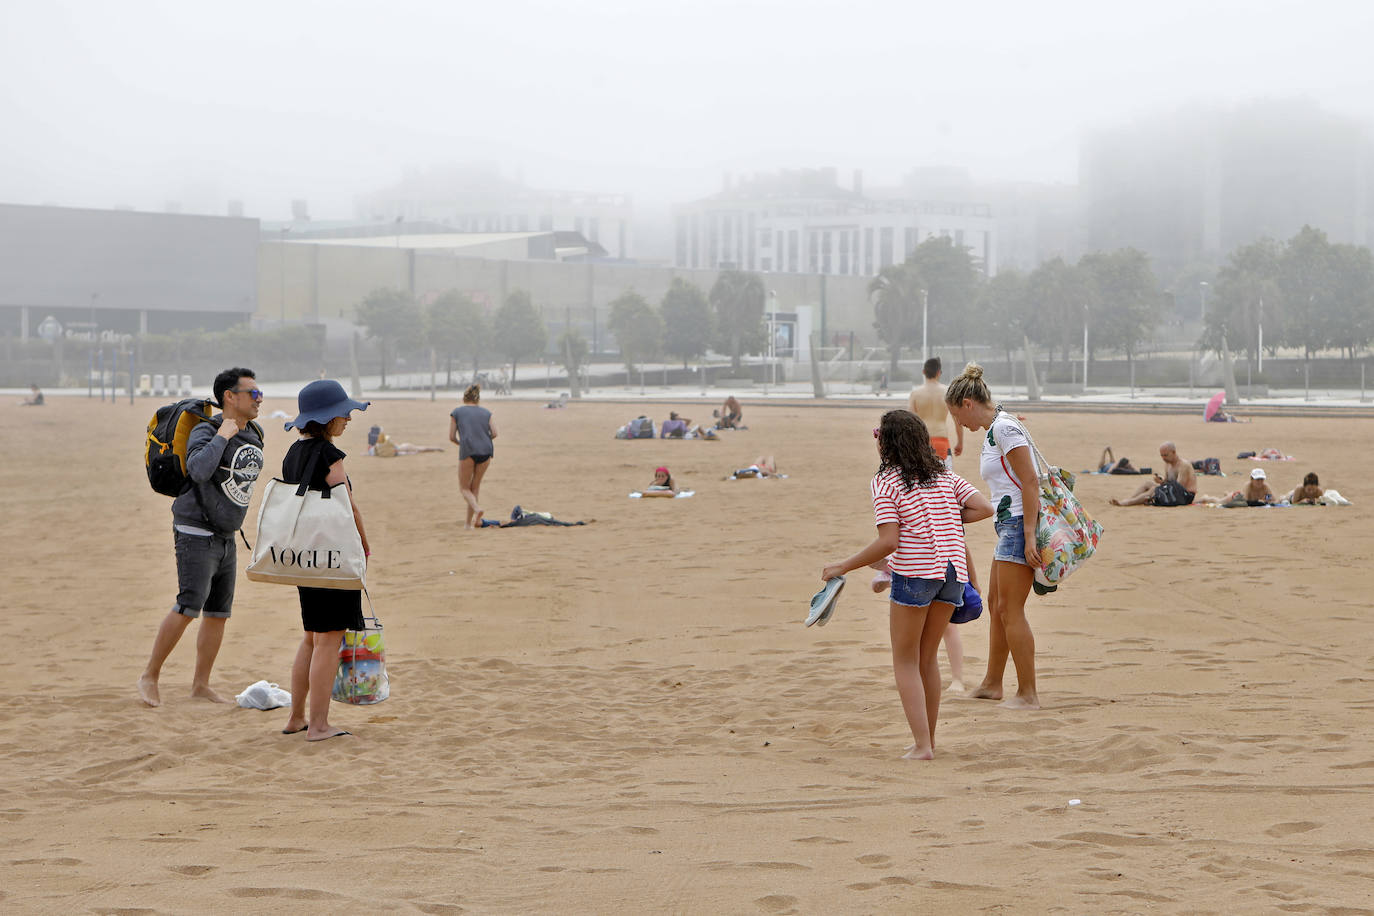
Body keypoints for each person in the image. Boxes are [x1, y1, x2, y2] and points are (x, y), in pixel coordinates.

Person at [821, 410, 993, 759]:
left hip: (916, 574)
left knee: (905, 660)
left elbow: (888, 542)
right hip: (952, 575)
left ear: (887, 444)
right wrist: (944, 518)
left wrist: (843, 565)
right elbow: (983, 508)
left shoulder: (885, 482)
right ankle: (926, 740)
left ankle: (922, 746)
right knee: (927, 658)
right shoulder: (943, 475)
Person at [137, 368, 265, 707]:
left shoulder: (254, 432)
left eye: (259, 393)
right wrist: (222, 435)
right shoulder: (206, 431)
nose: (259, 399)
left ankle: (200, 685)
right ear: (230, 397)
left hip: (226, 533)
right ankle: (149, 676)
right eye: (253, 393)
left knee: (218, 612)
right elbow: (198, 470)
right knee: (188, 605)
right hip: (195, 529)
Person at [944, 362, 1044, 710]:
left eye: (958, 415)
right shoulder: (995, 429)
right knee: (996, 604)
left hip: (1018, 524)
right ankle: (992, 683)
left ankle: (1028, 693)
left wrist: (1030, 535)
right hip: (1008, 525)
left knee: (1011, 609)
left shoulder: (1004, 429)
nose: (960, 424)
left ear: (968, 403)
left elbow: (1031, 482)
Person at [277, 379, 371, 742]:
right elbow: (347, 506)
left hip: (305, 555)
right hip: (332, 556)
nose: (348, 417)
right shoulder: (329, 456)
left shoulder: (292, 453)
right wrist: (364, 544)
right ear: (327, 418)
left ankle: (296, 717)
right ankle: (318, 724)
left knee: (312, 638)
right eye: (342, 412)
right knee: (329, 639)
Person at [449, 384, 497, 529]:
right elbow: (494, 433)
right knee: (475, 487)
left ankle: (477, 509)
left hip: (468, 450)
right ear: (478, 399)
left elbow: (451, 437)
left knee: (464, 488)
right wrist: (482, 440)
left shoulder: (457, 412)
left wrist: (462, 444)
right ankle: (468, 524)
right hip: (486, 451)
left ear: (464, 398)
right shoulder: (487, 413)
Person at [908, 358, 963, 468]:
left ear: (923, 372)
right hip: (942, 442)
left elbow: (910, 423)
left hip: (922, 442)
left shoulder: (915, 394)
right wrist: (960, 442)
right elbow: (958, 420)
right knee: (945, 482)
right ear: (939, 372)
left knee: (922, 482)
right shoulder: (947, 392)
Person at [1109, 442, 1197, 506]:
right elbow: (1168, 482)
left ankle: (1126, 503)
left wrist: (1161, 486)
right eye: (1161, 455)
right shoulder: (1167, 464)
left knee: (1154, 489)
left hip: (1185, 496)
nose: (1163, 458)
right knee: (1147, 483)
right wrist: (1161, 481)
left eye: (1165, 455)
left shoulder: (1183, 465)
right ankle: (1129, 499)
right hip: (1173, 492)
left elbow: (1179, 487)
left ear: (1174, 452)